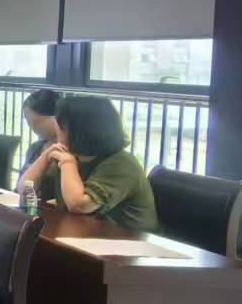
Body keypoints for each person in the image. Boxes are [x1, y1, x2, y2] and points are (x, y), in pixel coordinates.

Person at [20, 94, 158, 232]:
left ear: (79, 131)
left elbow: (79, 205)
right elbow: (24, 188)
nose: (56, 130)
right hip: (86, 232)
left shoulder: (121, 164)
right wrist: (46, 155)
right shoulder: (74, 154)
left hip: (128, 238)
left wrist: (68, 162)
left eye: (60, 126)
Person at [19, 87, 62, 180]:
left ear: (57, 117)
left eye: (37, 121)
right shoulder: (35, 148)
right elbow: (24, 184)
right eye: (28, 121)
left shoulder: (72, 153)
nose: (32, 127)